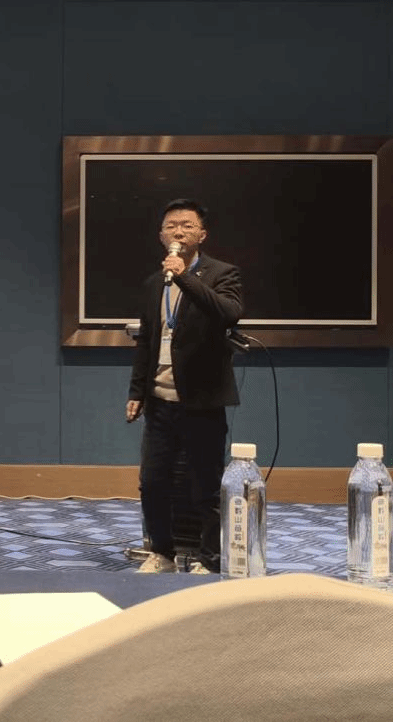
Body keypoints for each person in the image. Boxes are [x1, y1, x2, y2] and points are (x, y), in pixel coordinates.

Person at [125, 198, 243, 573]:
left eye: (187, 225)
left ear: (202, 235)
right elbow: (147, 340)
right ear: (161, 235)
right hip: (160, 400)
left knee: (204, 484)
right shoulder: (152, 284)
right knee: (152, 482)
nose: (178, 231)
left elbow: (229, 313)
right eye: (171, 226)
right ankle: (162, 553)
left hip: (201, 400)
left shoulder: (222, 273)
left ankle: (210, 559)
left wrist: (184, 278)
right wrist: (136, 391)